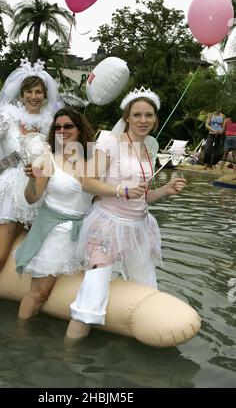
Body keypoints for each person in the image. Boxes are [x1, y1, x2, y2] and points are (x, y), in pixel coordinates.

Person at [65, 88, 187, 340]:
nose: (143, 120)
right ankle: (67, 357)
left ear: (155, 118)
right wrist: (121, 190)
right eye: (137, 115)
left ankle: (148, 342)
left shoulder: (149, 148)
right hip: (107, 226)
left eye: (149, 115)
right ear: (127, 117)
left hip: (139, 228)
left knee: (147, 288)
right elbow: (87, 182)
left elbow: (141, 196)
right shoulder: (111, 142)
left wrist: (164, 190)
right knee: (92, 295)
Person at [15, 107, 143, 319]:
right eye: (57, 127)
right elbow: (32, 198)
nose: (62, 131)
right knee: (39, 293)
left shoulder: (94, 161)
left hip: (84, 233)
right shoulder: (49, 159)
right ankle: (19, 339)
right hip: (53, 233)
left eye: (68, 126)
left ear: (79, 129)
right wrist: (30, 179)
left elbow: (101, 197)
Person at [0, 59, 58, 307]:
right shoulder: (6, 118)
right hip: (11, 192)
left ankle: (30, 311)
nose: (34, 96)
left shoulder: (53, 124)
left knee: (39, 261)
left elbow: (65, 159)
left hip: (41, 192)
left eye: (39, 91)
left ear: (45, 95)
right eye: (29, 91)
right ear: (21, 93)